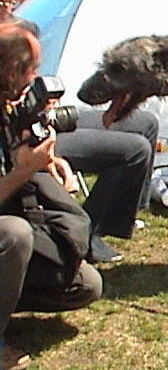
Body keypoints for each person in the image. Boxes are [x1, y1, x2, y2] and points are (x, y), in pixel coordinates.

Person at [0, 0, 159, 263]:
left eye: (11, 3)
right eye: (2, 4)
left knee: (146, 123)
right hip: (26, 140)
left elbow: (32, 86)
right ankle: (86, 234)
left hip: (41, 118)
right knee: (134, 150)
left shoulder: (20, 33)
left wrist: (40, 102)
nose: (9, 11)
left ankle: (122, 217)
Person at [0, 24, 103, 370]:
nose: (35, 77)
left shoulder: (9, 105)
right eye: (31, 69)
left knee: (85, 285)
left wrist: (50, 161)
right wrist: (27, 170)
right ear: (10, 70)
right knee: (13, 234)